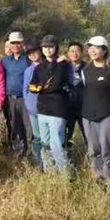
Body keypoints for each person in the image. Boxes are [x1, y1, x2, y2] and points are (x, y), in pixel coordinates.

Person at [30, 35, 70, 173]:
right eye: (45, 47)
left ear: (56, 48)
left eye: (50, 47)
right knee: (44, 142)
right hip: (42, 108)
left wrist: (42, 87)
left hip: (57, 108)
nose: (47, 49)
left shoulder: (63, 64)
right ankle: (49, 171)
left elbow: (58, 84)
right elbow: (32, 86)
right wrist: (42, 87)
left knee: (56, 142)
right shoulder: (39, 67)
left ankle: (64, 172)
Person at [81, 36, 110, 183]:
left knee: (107, 148)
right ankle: (97, 177)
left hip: (106, 114)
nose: (92, 50)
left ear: (104, 50)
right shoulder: (86, 70)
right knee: (93, 149)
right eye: (90, 47)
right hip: (88, 115)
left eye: (96, 47)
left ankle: (109, 179)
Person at [1, 32, 33, 158]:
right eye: (13, 43)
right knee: (13, 125)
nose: (15, 45)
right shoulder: (5, 61)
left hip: (25, 98)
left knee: (28, 126)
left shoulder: (28, 60)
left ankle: (30, 152)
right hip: (10, 99)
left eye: (18, 43)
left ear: (22, 44)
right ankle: (17, 151)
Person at [22, 42, 42, 166]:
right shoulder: (28, 70)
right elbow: (25, 88)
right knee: (36, 136)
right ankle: (38, 160)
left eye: (35, 52)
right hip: (33, 108)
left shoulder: (48, 66)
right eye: (30, 54)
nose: (33, 55)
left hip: (47, 107)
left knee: (47, 136)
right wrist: (28, 103)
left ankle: (49, 160)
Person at [65, 42, 86, 147]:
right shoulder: (63, 67)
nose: (74, 54)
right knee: (67, 136)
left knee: (88, 135)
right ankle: (67, 155)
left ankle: (92, 155)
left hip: (84, 107)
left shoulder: (87, 68)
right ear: (68, 53)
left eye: (77, 51)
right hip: (68, 106)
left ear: (82, 53)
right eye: (72, 51)